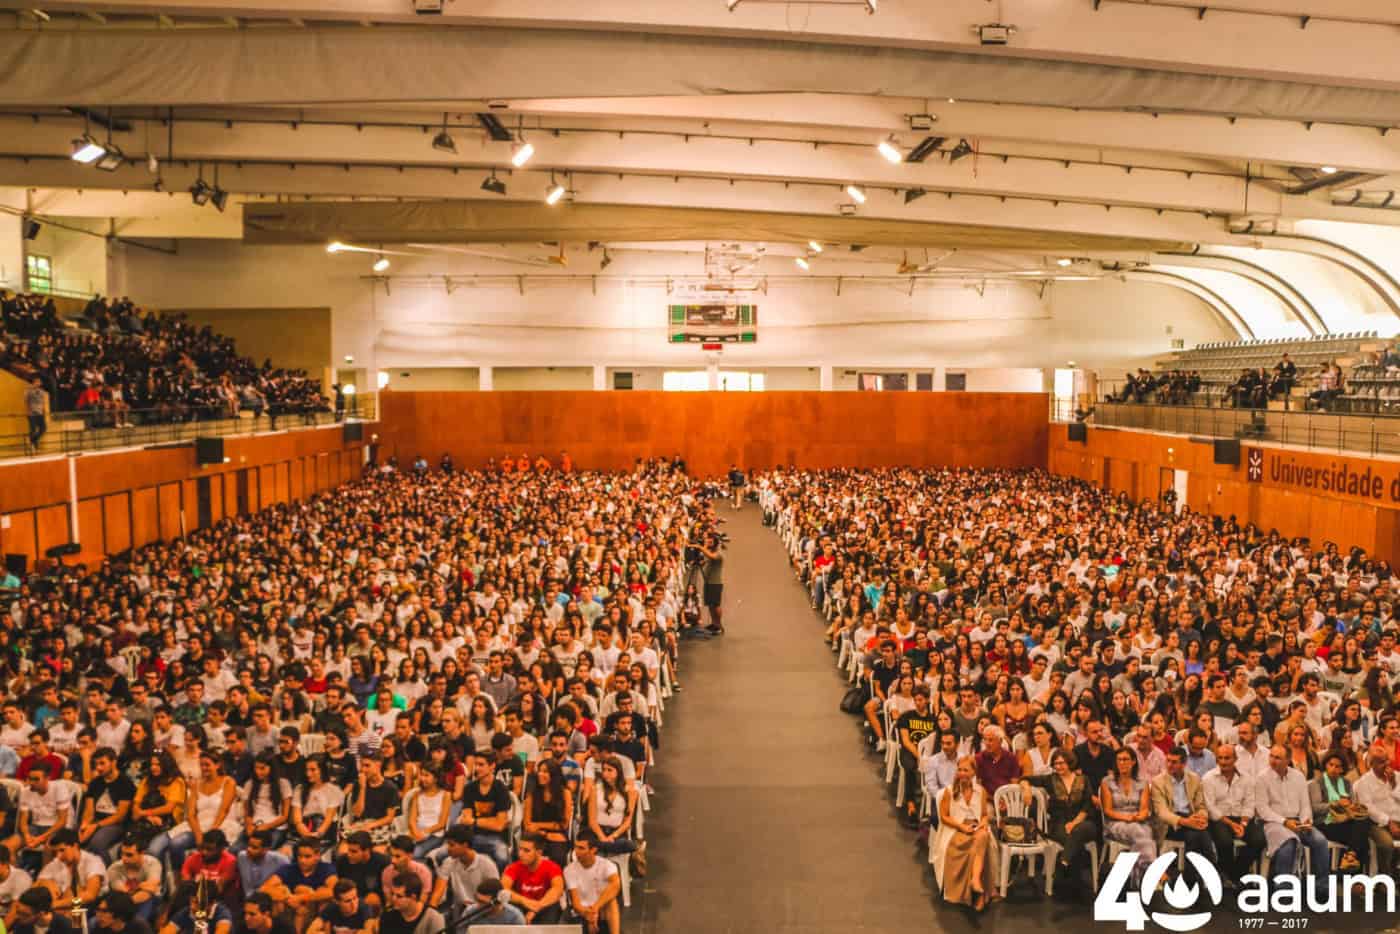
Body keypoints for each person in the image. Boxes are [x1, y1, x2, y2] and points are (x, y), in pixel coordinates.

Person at [1256, 745, 1330, 887]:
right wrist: (1285, 822)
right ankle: (1283, 890)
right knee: (1289, 844)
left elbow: (1305, 805)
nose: (1273, 760)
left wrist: (1306, 820)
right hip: (1273, 823)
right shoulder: (1262, 778)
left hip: (1298, 821)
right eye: (1271, 756)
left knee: (1320, 841)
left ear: (1288, 760)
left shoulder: (1298, 776)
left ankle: (1321, 888)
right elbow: (1262, 809)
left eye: (1278, 758)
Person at [1018, 749, 1098, 880]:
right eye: (1056, 764)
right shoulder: (1050, 779)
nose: (1058, 766)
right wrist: (1026, 789)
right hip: (1059, 823)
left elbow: (1087, 805)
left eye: (1062, 763)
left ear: (1070, 763)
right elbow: (1024, 779)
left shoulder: (1083, 779)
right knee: (1073, 840)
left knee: (1079, 831)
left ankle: (1063, 864)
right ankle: (1068, 871)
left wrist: (1074, 823)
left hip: (1082, 821)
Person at [931, 755, 997, 911]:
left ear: (974, 772)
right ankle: (978, 893)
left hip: (975, 827)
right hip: (956, 829)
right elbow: (944, 817)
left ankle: (976, 882)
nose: (962, 773)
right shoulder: (949, 792)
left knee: (983, 836)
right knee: (976, 844)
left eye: (966, 770)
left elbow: (984, 815)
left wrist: (983, 822)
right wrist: (961, 827)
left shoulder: (980, 791)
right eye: (959, 770)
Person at [1149, 746, 1217, 886]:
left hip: (1191, 819)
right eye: (1168, 761)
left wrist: (1201, 817)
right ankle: (1203, 872)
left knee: (1197, 834)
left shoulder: (1194, 779)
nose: (1169, 765)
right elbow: (1162, 812)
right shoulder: (1158, 782)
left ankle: (1190, 879)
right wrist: (1185, 821)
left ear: (1184, 763)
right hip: (1170, 823)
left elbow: (1201, 806)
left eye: (1174, 762)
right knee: (1200, 835)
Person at [1202, 744, 1266, 887]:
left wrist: (1243, 824)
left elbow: (1250, 804)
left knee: (1259, 839)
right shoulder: (1208, 778)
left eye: (1227, 758)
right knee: (1225, 842)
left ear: (1235, 759)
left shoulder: (1247, 778)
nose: (1223, 762)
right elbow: (1210, 808)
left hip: (1241, 818)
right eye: (1220, 758)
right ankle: (1234, 876)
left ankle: (1236, 873)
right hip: (1219, 819)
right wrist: (1232, 824)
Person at [1308, 750, 1371, 870]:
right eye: (1331, 765)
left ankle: (1348, 859)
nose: (1333, 769)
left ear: (1342, 769)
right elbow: (1315, 808)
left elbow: (1352, 803)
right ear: (1325, 765)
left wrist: (1350, 806)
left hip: (1345, 819)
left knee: (1363, 821)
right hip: (1325, 822)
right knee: (1362, 840)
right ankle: (1351, 869)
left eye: (1337, 766)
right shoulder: (1316, 783)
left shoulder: (1347, 783)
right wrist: (1335, 804)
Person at [1101, 747, 1155, 883]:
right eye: (1119, 760)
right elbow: (1107, 810)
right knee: (1141, 833)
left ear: (1133, 762)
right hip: (1116, 822)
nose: (1122, 763)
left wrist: (1140, 817)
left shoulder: (1142, 783)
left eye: (1125, 759)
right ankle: (1153, 873)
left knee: (1144, 832)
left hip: (1138, 821)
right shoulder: (1107, 782)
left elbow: (1144, 809)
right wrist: (1127, 818)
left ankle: (1135, 878)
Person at [1352, 749, 1400, 874]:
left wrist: (1394, 784)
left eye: (1387, 760)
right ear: (1371, 764)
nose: (1386, 764)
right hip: (1377, 823)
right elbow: (1368, 808)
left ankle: (1395, 870)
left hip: (1398, 818)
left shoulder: (1397, 776)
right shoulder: (1364, 782)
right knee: (1386, 844)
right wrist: (1389, 822)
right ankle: (1385, 876)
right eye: (1381, 762)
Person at [501, 833, 564, 925]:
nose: (520, 854)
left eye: (526, 850)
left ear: (539, 852)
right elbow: (503, 889)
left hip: (544, 907)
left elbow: (557, 890)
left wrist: (537, 908)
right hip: (522, 907)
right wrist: (524, 901)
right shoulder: (513, 867)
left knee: (553, 906)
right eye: (520, 849)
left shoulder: (552, 867)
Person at [563, 834, 620, 934]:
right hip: (582, 912)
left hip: (602, 909)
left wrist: (595, 908)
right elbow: (576, 904)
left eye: (581, 848)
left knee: (611, 902)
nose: (576, 851)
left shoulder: (607, 865)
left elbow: (616, 886)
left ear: (593, 850)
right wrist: (590, 916)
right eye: (575, 847)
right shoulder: (569, 870)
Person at [306, 879, 373, 934]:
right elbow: (310, 931)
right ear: (337, 902)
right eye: (347, 901)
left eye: (355, 898)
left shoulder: (364, 907)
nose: (354, 904)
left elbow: (370, 931)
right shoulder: (331, 908)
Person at [698, 530, 726, 635]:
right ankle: (714, 623)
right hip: (708, 582)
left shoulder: (719, 553)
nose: (709, 544)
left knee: (716, 605)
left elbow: (711, 556)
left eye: (710, 542)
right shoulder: (710, 551)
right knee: (710, 604)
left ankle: (719, 625)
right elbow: (706, 558)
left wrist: (701, 547)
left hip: (715, 583)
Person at [24, 377, 46, 451]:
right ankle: (33, 445)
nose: (38, 383)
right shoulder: (28, 391)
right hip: (32, 413)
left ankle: (34, 440)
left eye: (39, 382)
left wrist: (44, 410)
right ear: (33, 383)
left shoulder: (41, 391)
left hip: (40, 412)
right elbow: (26, 401)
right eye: (37, 382)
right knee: (33, 429)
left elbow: (43, 402)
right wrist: (27, 411)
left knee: (43, 428)